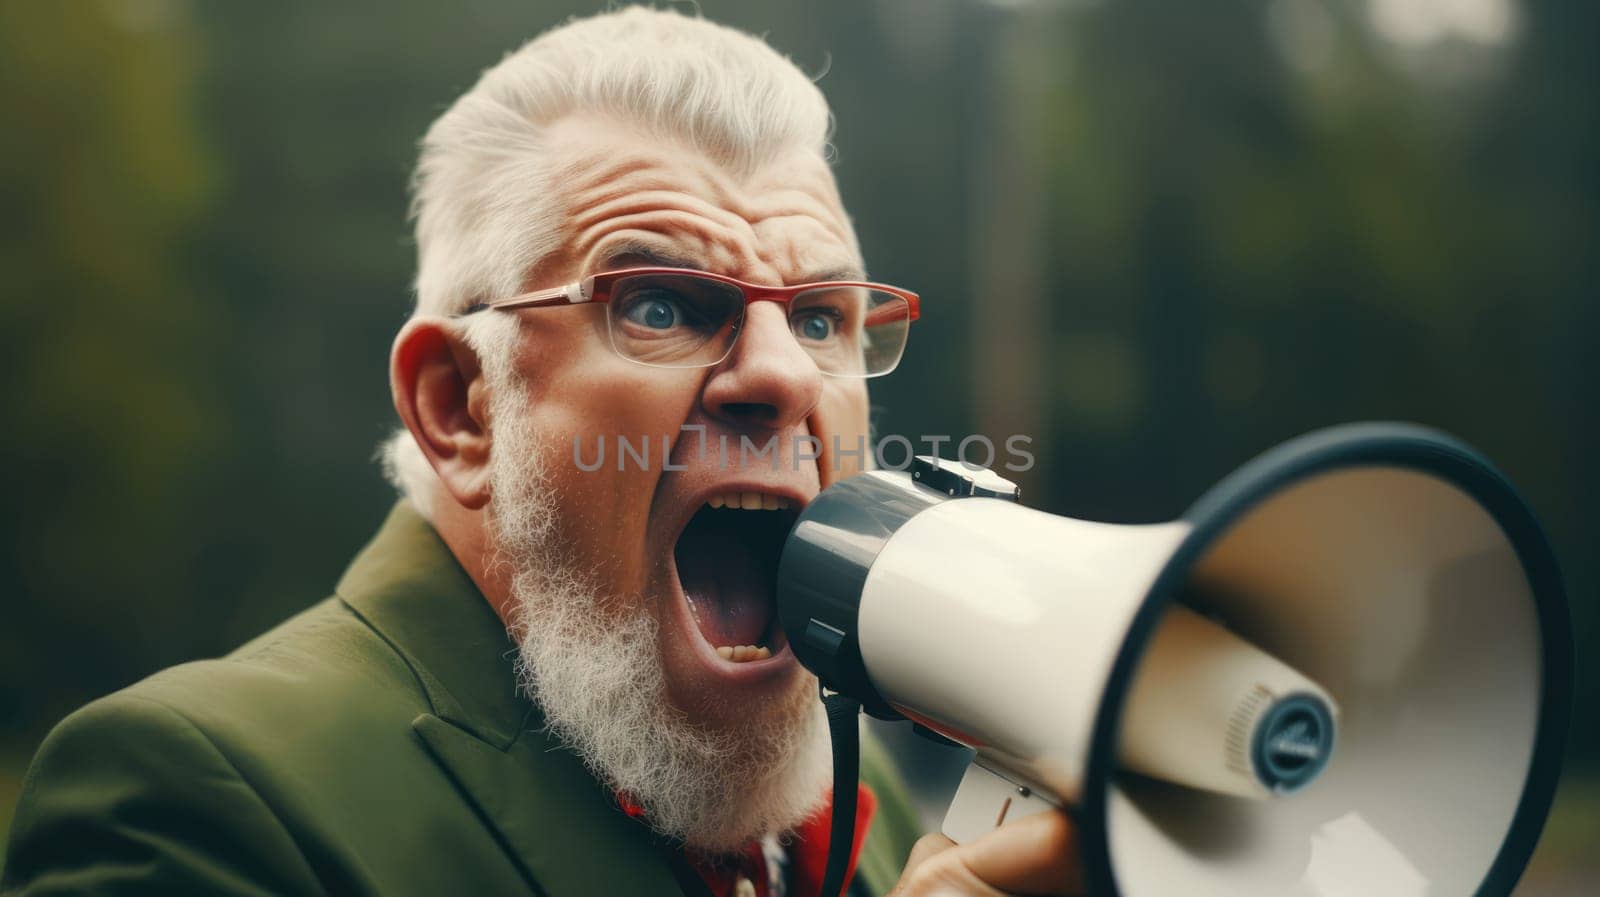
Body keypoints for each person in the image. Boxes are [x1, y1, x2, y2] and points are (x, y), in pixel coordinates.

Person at [2, 8, 1079, 896]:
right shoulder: (196, 809)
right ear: (462, 407)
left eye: (818, 319)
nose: (786, 377)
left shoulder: (851, 805)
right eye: (659, 302)